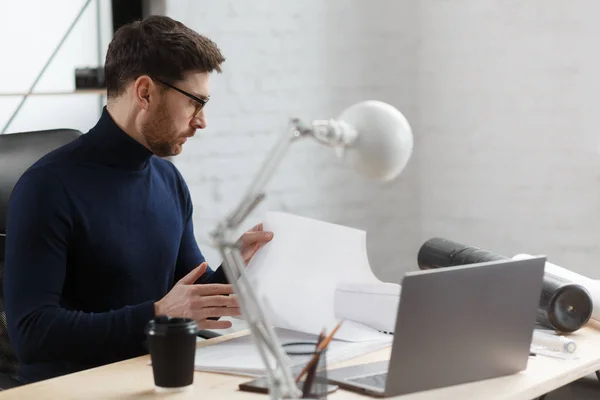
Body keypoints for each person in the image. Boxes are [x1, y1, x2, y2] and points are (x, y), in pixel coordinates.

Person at [3, 15, 272, 384]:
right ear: (145, 92)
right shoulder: (46, 187)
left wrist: (235, 267)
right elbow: (32, 335)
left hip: (152, 378)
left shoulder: (167, 180)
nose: (202, 121)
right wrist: (158, 313)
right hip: (72, 389)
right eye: (196, 102)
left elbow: (186, 290)